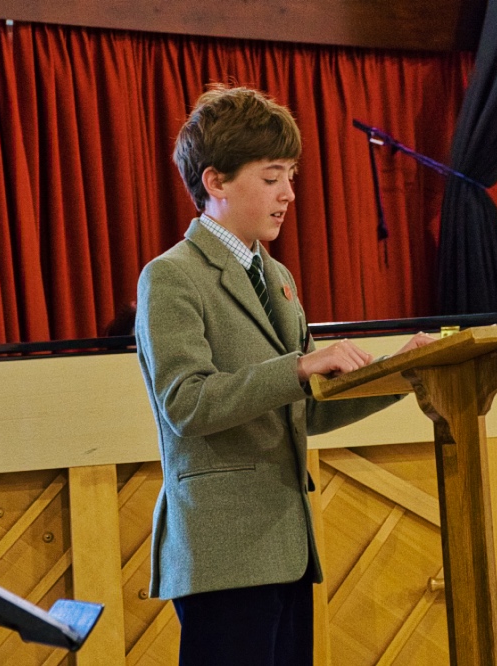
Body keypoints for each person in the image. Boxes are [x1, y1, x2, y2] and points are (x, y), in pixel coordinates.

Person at [135, 85, 435, 666]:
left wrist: (404, 373)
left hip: (286, 545)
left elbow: (312, 405)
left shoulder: (276, 276)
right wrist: (296, 366)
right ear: (215, 182)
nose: (289, 194)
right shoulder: (171, 276)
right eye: (273, 177)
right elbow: (185, 403)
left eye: (290, 176)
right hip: (223, 552)